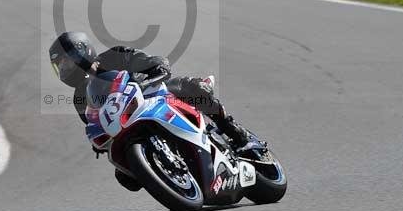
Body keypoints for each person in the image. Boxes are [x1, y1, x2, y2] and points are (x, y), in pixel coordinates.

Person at [48, 31, 255, 152]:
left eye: (65, 62)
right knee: (126, 178)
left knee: (195, 88)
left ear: (81, 51)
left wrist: (157, 67)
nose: (64, 69)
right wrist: (98, 141)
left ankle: (232, 129)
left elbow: (146, 60)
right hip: (127, 125)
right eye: (59, 66)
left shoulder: (112, 56)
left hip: (154, 95)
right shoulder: (79, 98)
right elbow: (94, 123)